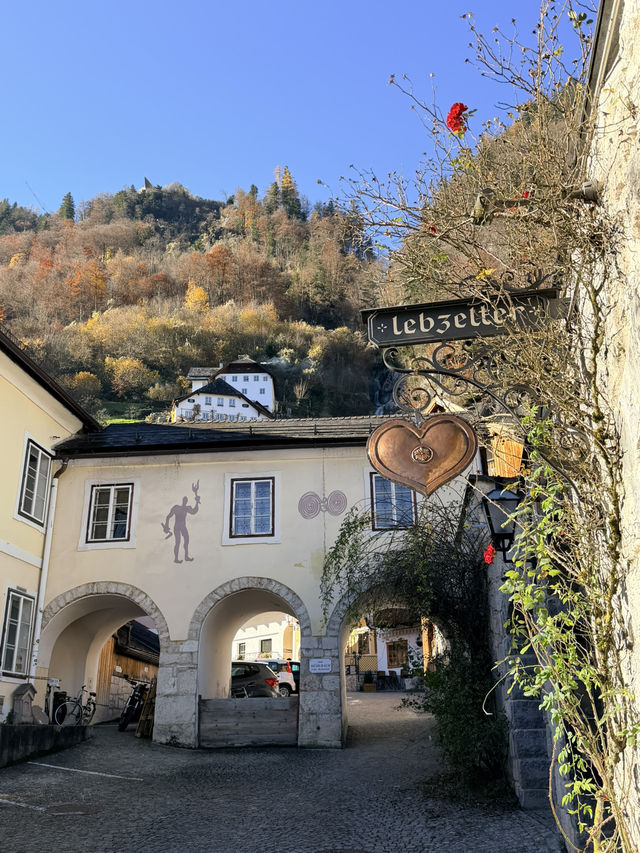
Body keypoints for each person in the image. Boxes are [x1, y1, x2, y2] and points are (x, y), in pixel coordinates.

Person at [162, 483, 200, 563]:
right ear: (183, 500)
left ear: (186, 501)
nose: (185, 501)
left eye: (186, 500)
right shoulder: (176, 507)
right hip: (177, 527)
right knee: (178, 542)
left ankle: (186, 556)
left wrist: (197, 502)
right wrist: (166, 525)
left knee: (186, 540)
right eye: (184, 500)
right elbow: (168, 516)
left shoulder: (186, 508)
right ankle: (176, 559)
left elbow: (194, 511)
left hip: (183, 527)